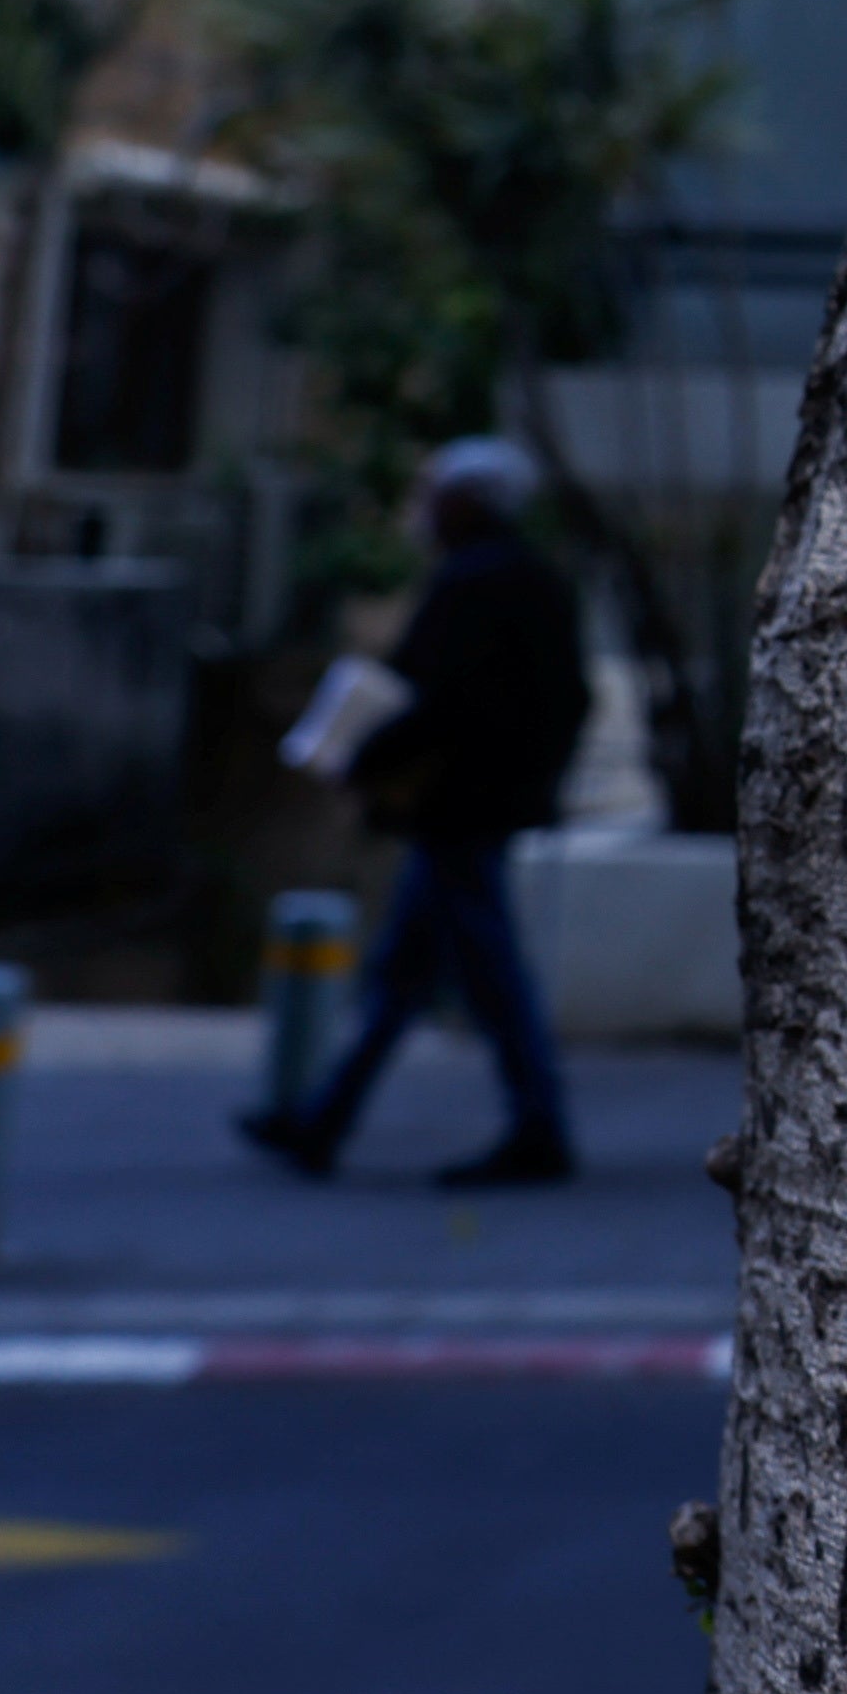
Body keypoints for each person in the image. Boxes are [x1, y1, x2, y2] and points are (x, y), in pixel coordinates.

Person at [239, 437, 593, 1186]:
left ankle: (537, 1126)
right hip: (480, 804)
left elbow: (442, 701)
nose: (426, 509)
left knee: (485, 974)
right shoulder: (531, 581)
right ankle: (323, 1120)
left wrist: (363, 757)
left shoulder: (475, 585)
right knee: (404, 975)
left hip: (460, 807)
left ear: (470, 501)